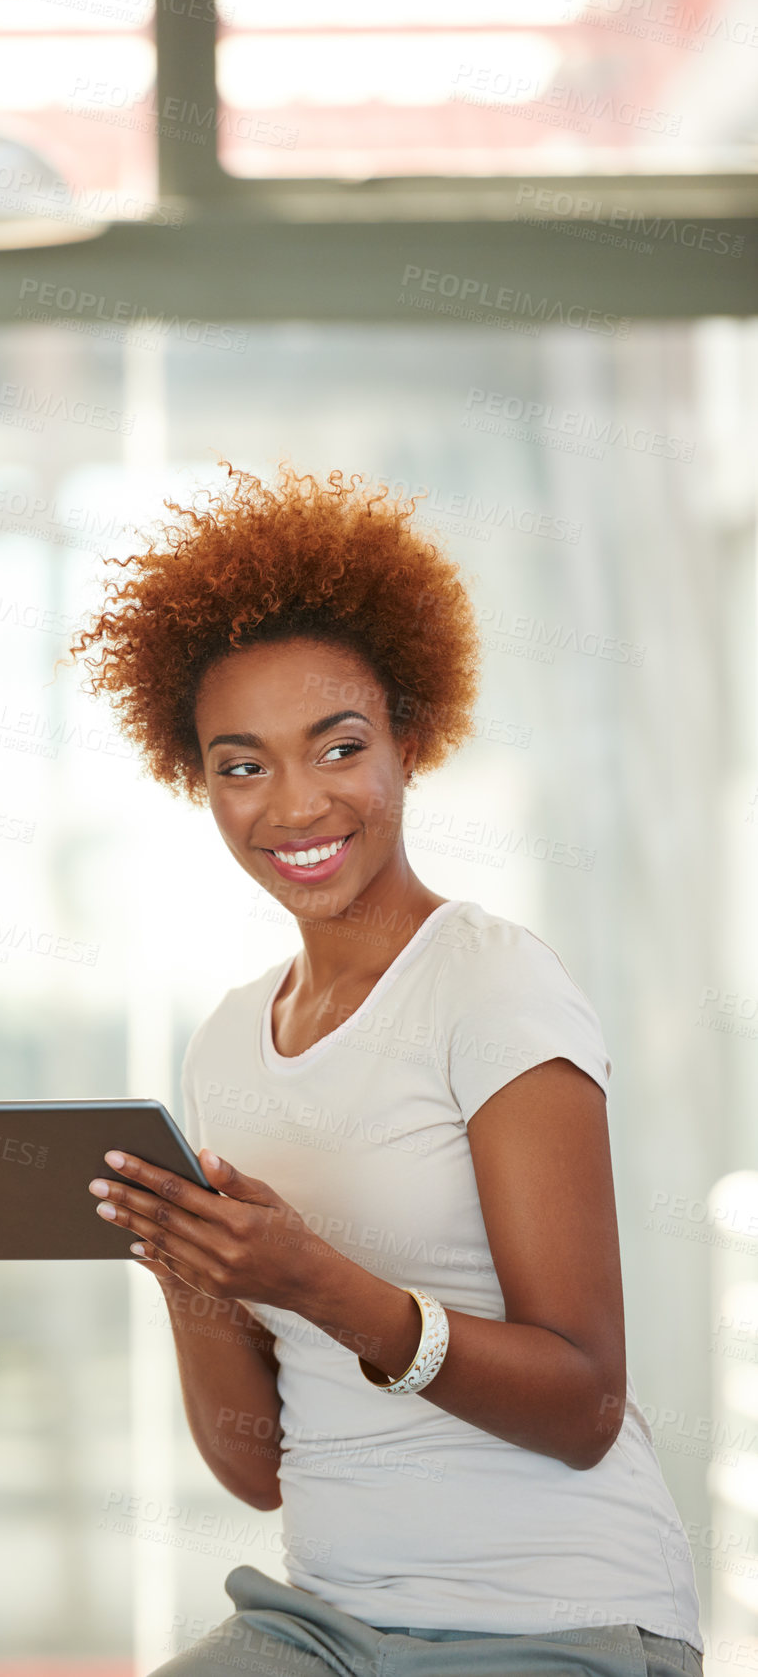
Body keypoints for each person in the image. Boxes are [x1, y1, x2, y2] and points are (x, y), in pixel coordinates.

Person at [67, 464, 704, 1676]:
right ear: (196, 781)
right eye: (241, 765)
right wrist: (191, 1275)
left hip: (554, 1622)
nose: (295, 805)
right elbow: (256, 1469)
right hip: (323, 1624)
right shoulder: (226, 1042)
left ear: (410, 740)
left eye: (338, 747)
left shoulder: (491, 985)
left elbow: (582, 1408)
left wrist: (312, 1277)